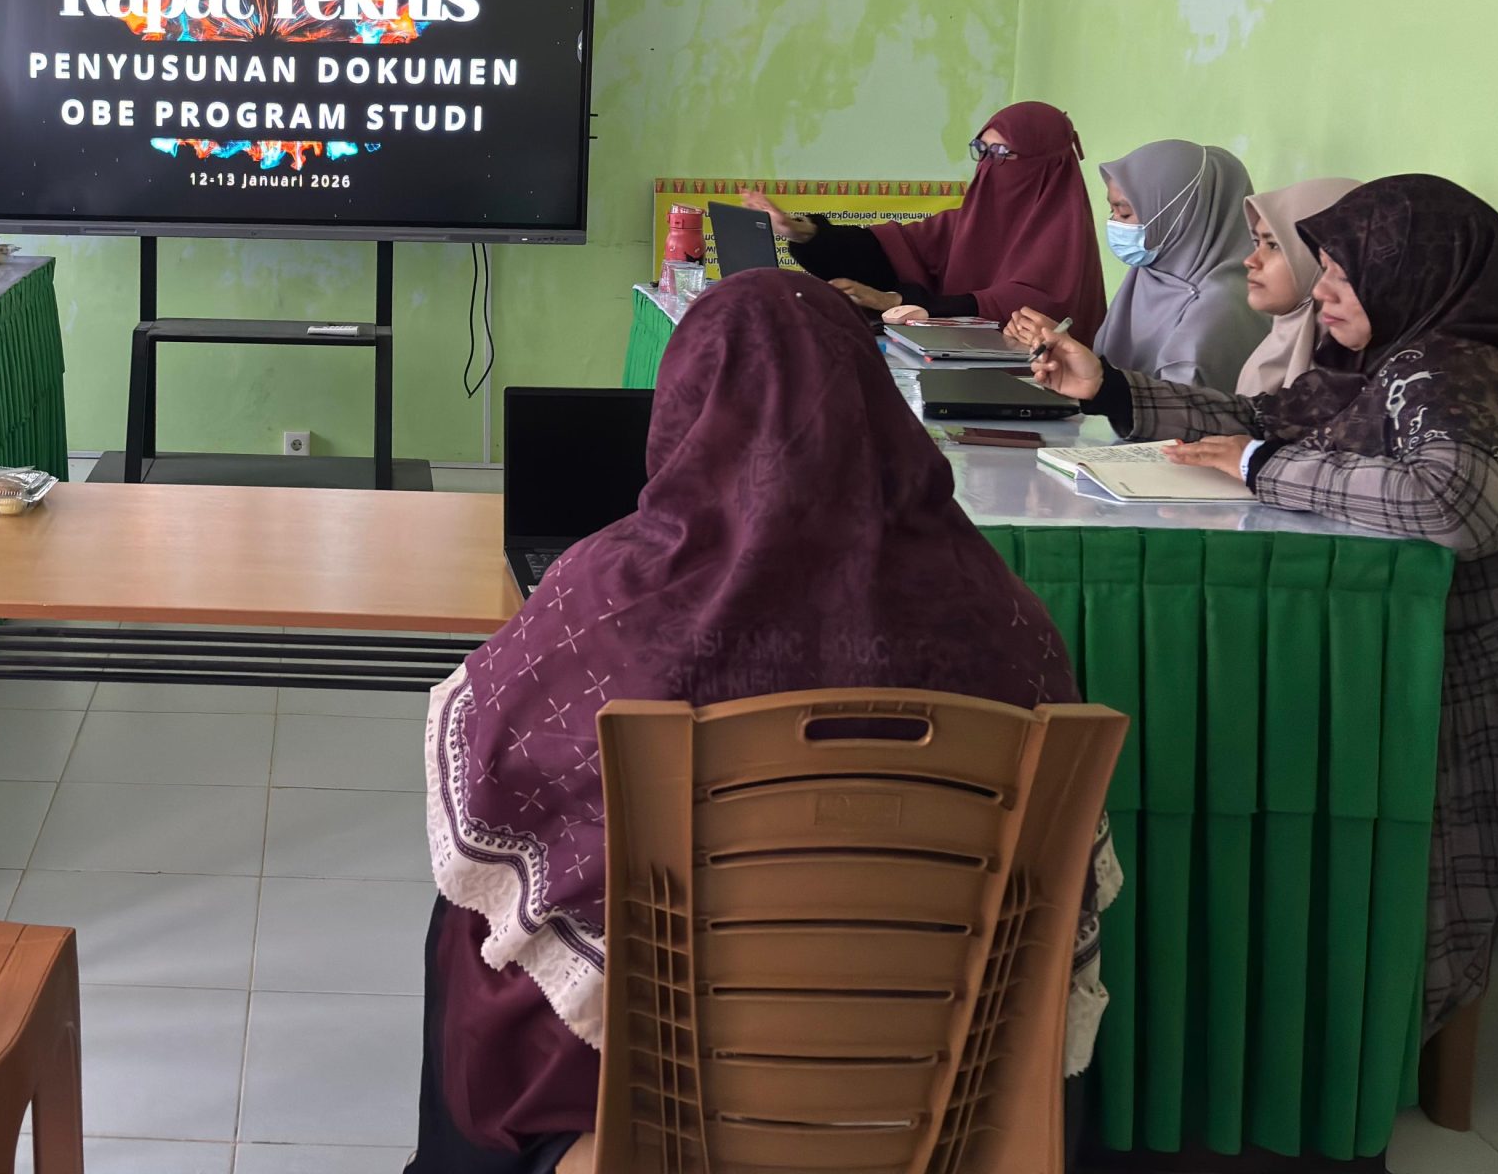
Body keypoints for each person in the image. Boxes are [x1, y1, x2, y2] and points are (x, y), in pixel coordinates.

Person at [415, 270, 1105, 1171]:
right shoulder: (1004, 616)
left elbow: (485, 770)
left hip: (666, 1078)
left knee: (469, 914)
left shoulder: (609, 595)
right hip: (948, 1074)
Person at [1026, 174, 1498, 1031]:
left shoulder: (1455, 367)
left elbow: (1457, 506)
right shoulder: (1380, 360)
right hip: (1392, 646)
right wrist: (1109, 389)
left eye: (1345, 272)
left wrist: (1262, 468)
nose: (1326, 289)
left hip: (1458, 678)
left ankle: (1371, 1043)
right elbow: (1248, 416)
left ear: (1413, 270)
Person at [741, 101, 1107, 343]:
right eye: (982, 151)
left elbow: (1014, 306)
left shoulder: (1063, 244)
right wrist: (801, 231)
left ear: (1047, 168)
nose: (987, 167)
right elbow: (888, 248)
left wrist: (896, 301)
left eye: (1002, 154)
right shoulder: (969, 224)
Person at [1081, 139, 1271, 387]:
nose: (1115, 223)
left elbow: (1178, 410)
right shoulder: (1148, 276)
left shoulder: (1222, 305)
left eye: (1124, 212)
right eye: (1113, 211)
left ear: (1181, 214)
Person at [1236, 176, 1362, 395]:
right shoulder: (1273, 346)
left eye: (1274, 245)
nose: (1250, 261)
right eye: (1257, 242)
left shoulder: (1349, 367)